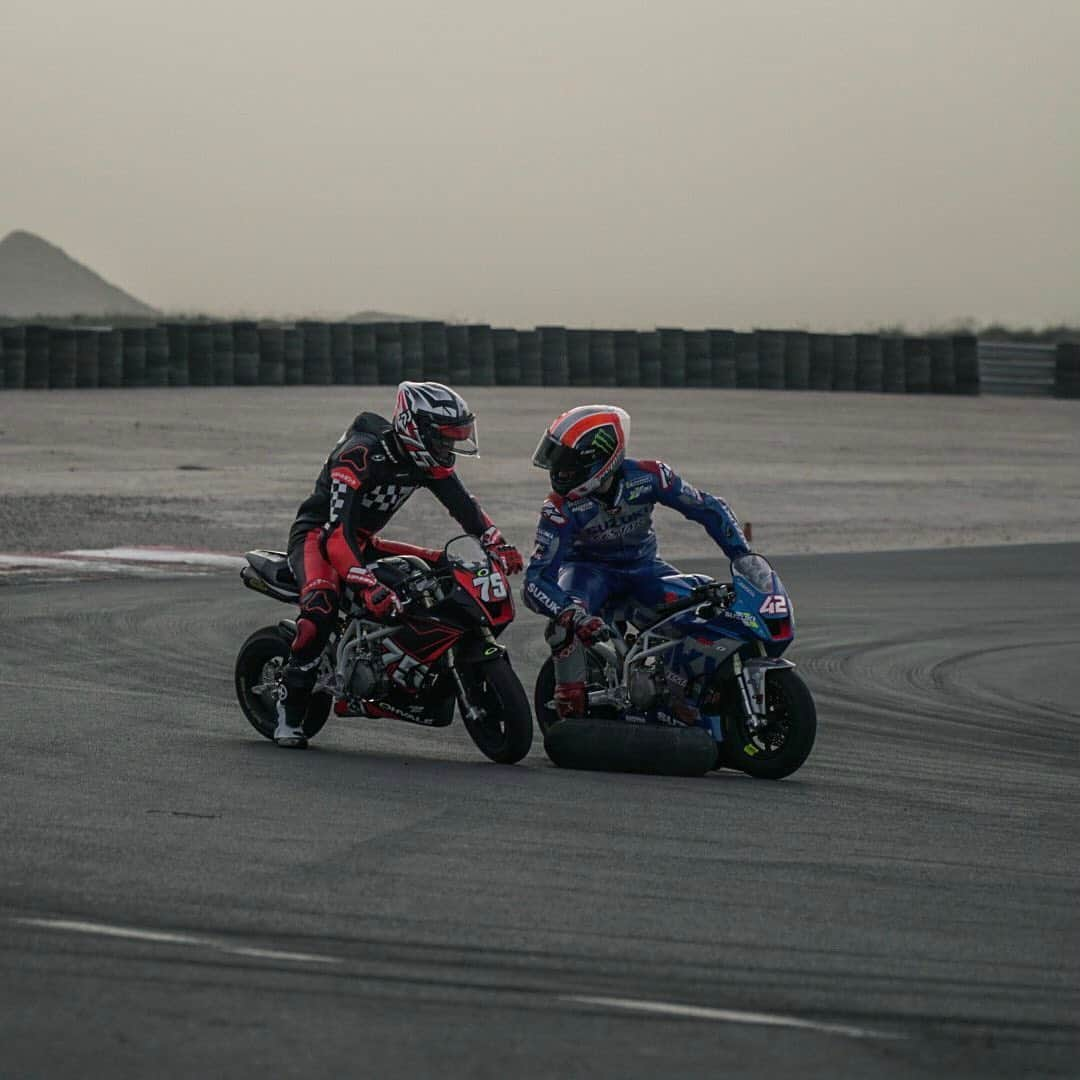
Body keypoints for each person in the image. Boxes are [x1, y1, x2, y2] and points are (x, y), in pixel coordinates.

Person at [275, 380, 523, 748]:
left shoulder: (426, 461)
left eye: (452, 440)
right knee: (320, 608)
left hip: (363, 542)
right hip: (321, 539)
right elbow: (337, 535)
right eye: (442, 439)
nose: (448, 448)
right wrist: (365, 582)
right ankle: (289, 714)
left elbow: (463, 506)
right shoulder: (359, 456)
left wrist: (496, 543)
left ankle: (415, 669)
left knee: (442, 566)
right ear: (414, 428)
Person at [523, 404, 750, 720]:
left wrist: (744, 557)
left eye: (568, 464)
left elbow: (709, 508)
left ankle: (683, 692)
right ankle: (568, 703)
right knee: (563, 625)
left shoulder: (651, 476)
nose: (558, 472)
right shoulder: (558, 509)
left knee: (704, 607)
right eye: (555, 460)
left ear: (602, 461)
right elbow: (535, 582)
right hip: (588, 574)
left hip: (644, 569)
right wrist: (571, 614)